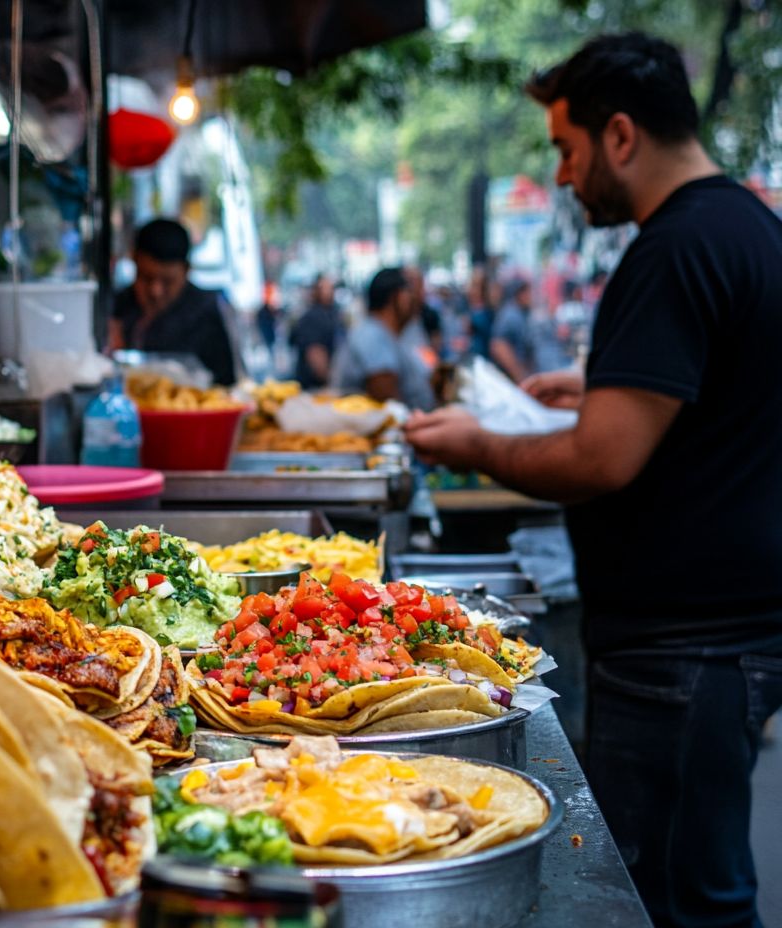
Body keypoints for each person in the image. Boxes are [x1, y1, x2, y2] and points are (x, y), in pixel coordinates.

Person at [403, 32, 782, 928]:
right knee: (699, 887)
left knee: (672, 902)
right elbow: (725, 397)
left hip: (685, 648)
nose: (565, 178)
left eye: (567, 151)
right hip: (719, 635)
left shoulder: (674, 248)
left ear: (620, 136)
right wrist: (608, 387)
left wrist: (477, 439)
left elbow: (601, 459)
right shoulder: (749, 227)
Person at [108, 219, 237, 385]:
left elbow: (226, 385)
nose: (156, 291)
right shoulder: (115, 308)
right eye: (146, 278)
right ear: (134, 259)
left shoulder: (206, 313)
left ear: (186, 270)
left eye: (168, 281)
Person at [330, 267, 434, 409]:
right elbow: (389, 401)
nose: (415, 297)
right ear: (397, 297)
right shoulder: (372, 335)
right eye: (409, 290)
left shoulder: (385, 333)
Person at [289, 274, 343, 389]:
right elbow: (315, 354)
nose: (331, 291)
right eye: (325, 288)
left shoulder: (331, 313)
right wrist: (330, 382)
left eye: (331, 287)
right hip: (315, 388)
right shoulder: (313, 317)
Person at [489, 278, 536, 382]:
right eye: (527, 292)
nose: (531, 296)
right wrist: (521, 377)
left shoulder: (520, 313)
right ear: (519, 294)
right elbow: (498, 346)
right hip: (512, 380)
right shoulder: (510, 315)